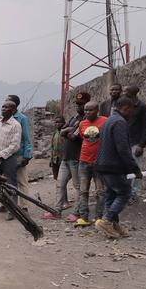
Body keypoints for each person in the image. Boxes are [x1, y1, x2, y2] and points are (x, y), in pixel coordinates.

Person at [94, 96, 143, 238]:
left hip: (102, 165)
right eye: (131, 111)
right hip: (113, 166)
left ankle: (114, 226)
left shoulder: (108, 120)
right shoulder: (120, 122)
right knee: (125, 192)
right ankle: (107, 220)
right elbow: (123, 149)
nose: (132, 114)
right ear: (126, 108)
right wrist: (135, 168)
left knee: (111, 195)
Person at [43, 92, 89, 221]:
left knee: (78, 186)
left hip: (76, 157)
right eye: (77, 104)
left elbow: (74, 136)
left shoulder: (86, 120)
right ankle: (56, 211)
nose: (78, 106)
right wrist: (70, 130)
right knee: (60, 184)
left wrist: (69, 131)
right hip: (66, 157)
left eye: (81, 104)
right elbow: (63, 131)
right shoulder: (74, 118)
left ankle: (77, 212)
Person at [71, 101, 106, 226]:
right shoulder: (82, 123)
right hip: (84, 161)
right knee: (83, 190)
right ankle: (84, 217)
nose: (87, 112)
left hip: (99, 162)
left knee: (100, 191)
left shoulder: (104, 121)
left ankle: (99, 217)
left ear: (97, 110)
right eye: (85, 110)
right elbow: (82, 137)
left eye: (90, 110)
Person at [124, 85, 146, 200]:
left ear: (134, 92)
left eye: (126, 90)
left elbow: (145, 127)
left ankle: (133, 194)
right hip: (124, 142)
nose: (124, 92)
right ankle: (125, 193)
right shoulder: (125, 107)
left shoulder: (143, 107)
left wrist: (141, 145)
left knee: (135, 169)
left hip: (135, 143)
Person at [7, 94, 32, 210]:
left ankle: (24, 206)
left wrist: (26, 156)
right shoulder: (5, 118)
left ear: (14, 105)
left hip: (18, 154)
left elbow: (26, 138)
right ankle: (7, 204)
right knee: (6, 180)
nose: (5, 103)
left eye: (8, 101)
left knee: (21, 181)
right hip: (6, 155)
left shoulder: (22, 118)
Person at [49, 115, 66, 185]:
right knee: (56, 179)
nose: (57, 124)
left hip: (63, 159)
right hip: (55, 159)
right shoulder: (55, 133)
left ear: (64, 123)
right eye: (56, 122)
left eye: (59, 122)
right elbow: (52, 147)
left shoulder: (66, 133)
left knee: (62, 179)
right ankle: (59, 193)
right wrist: (51, 159)